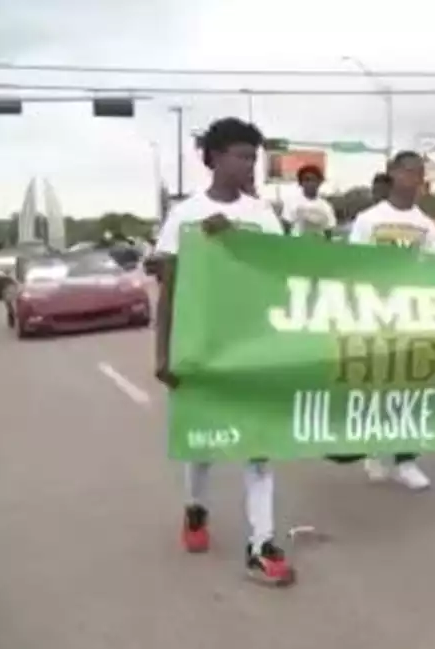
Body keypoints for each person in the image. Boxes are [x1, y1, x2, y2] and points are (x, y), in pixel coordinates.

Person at [152, 117, 295, 587]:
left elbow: (280, 279)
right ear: (212, 158)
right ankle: (196, 511)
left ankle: (262, 544)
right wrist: (163, 353)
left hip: (251, 346)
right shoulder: (184, 216)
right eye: (239, 155)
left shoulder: (262, 216)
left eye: (252, 157)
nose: (246, 165)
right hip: (200, 346)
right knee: (205, 443)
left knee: (259, 450)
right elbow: (170, 290)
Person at [343, 151, 435, 489]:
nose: (414, 178)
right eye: (407, 171)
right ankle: (373, 450)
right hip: (375, 315)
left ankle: (406, 460)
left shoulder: (426, 225)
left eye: (419, 173)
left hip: (412, 317)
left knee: (411, 388)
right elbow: (352, 266)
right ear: (392, 174)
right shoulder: (368, 219)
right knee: (377, 387)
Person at [282, 165, 337, 239]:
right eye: (307, 180)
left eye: (313, 180)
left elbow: (329, 231)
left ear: (319, 182)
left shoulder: (326, 207)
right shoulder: (292, 202)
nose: (310, 183)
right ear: (301, 183)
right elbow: (286, 228)